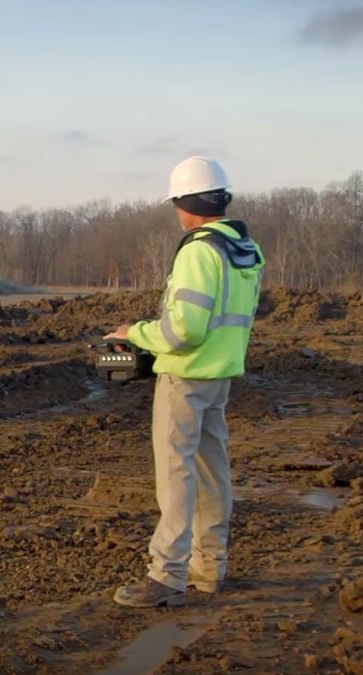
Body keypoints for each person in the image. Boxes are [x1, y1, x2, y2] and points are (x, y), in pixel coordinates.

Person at [104, 156, 265, 608]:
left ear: (187, 202)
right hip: (221, 374)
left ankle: (167, 575)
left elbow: (183, 331)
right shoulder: (245, 249)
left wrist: (134, 333)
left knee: (175, 476)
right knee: (213, 471)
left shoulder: (199, 250)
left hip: (186, 374)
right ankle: (209, 567)